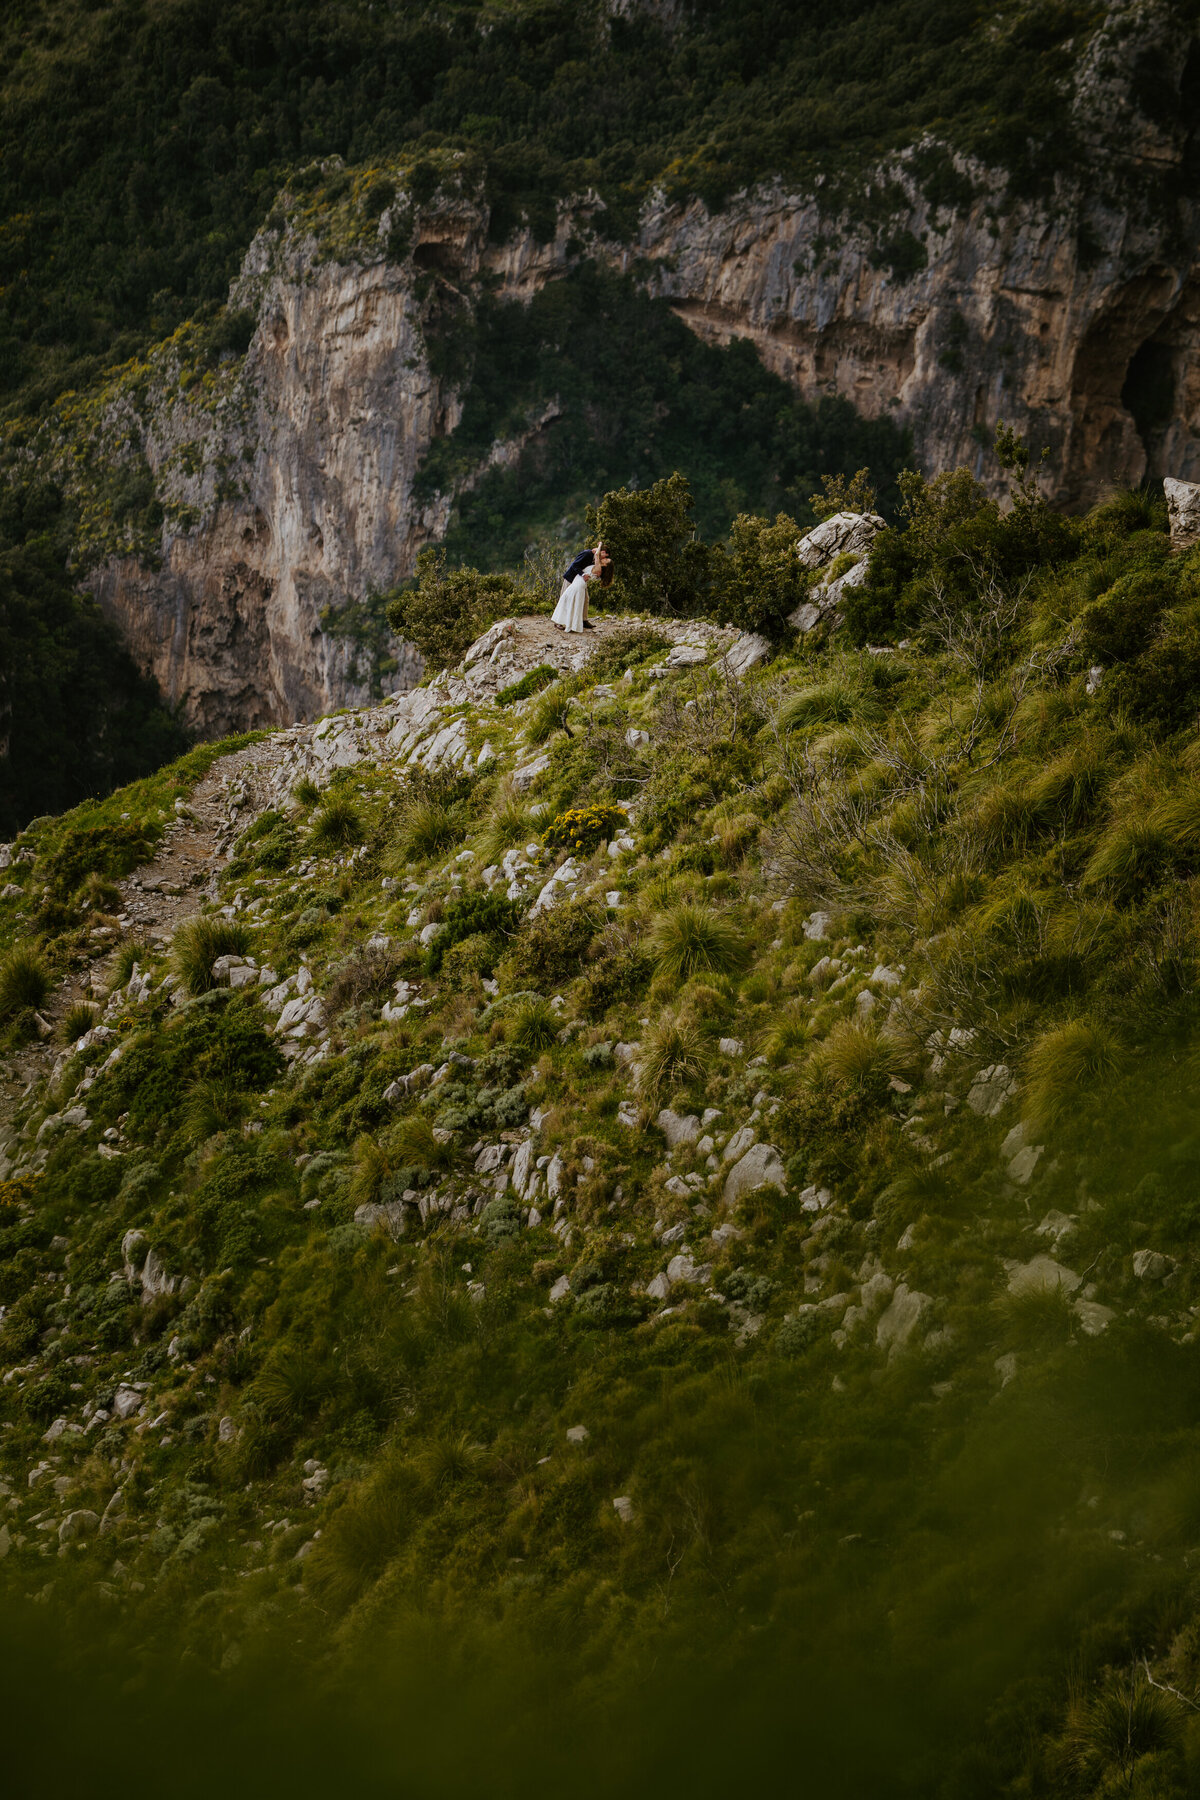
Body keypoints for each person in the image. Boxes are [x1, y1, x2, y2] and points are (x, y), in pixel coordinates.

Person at [551, 542, 612, 633]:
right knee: (565, 598)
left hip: (580, 581)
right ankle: (559, 622)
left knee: (585, 599)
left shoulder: (596, 560)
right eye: (605, 556)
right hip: (571, 578)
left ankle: (584, 620)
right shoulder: (587, 554)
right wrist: (583, 574)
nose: (604, 558)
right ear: (602, 552)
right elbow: (575, 565)